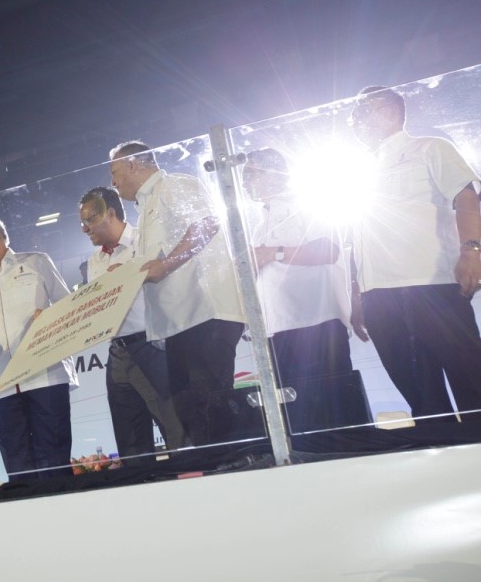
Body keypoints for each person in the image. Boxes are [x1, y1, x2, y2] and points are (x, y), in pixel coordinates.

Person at [348, 86, 481, 421]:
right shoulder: (356, 172)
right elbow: (359, 239)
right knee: (423, 403)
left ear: (389, 111)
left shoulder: (430, 147)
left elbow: (466, 198)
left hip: (432, 286)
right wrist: (357, 294)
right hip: (378, 297)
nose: (354, 122)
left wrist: (473, 250)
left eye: (361, 112)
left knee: (473, 385)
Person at [109, 141, 245, 446]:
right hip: (179, 323)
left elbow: (206, 224)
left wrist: (167, 264)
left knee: (210, 407)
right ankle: (213, 467)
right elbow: (154, 262)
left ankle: (231, 465)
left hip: (204, 313)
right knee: (190, 412)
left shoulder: (174, 184)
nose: (113, 183)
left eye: (114, 172)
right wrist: (127, 273)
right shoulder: (145, 209)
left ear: (133, 164)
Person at [242, 148, 355, 431]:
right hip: (278, 329)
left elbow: (328, 249)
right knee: (299, 418)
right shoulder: (258, 227)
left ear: (274, 173)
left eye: (251, 173)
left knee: (335, 410)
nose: (244, 182)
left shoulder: (306, 205)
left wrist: (274, 252)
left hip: (316, 323)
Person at [0, 214, 78, 481]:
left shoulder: (37, 262)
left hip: (44, 375)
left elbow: (68, 305)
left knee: (54, 461)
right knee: (17, 466)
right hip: (3, 386)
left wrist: (49, 318)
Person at [78, 187, 186, 458]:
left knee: (176, 429)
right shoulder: (94, 261)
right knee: (130, 441)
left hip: (151, 345)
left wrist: (128, 274)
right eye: (82, 222)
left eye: (89, 220)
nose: (84, 228)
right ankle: (140, 482)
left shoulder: (144, 241)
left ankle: (194, 476)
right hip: (117, 352)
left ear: (110, 213)